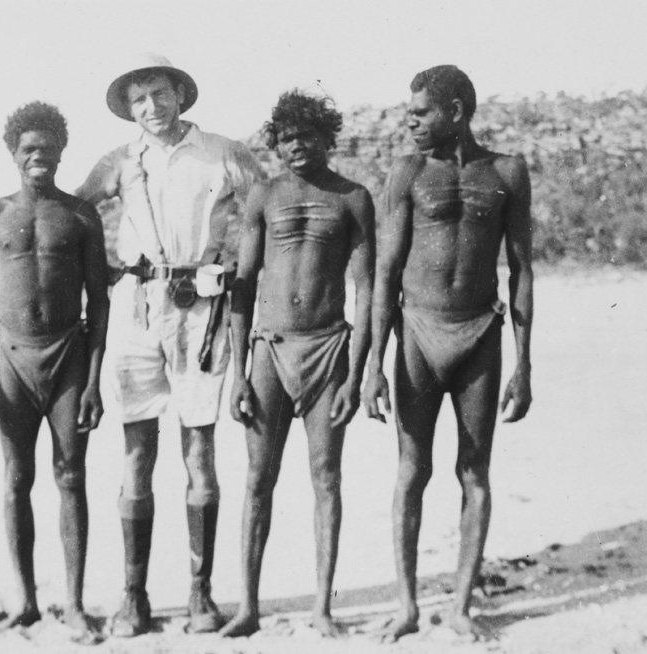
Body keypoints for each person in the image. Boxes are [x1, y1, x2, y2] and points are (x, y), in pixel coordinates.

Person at [75, 53, 265, 637]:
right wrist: (104, 268)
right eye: (138, 100)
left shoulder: (222, 151)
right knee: (137, 451)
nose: (150, 108)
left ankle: (201, 594)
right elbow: (76, 212)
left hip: (200, 307)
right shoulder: (121, 160)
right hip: (137, 308)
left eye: (159, 94)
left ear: (180, 95)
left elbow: (269, 206)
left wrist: (238, 260)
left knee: (199, 451)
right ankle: (134, 597)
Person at [362, 65, 534, 641]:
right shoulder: (407, 172)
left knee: (475, 471)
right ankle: (408, 606)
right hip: (417, 333)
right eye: (408, 111)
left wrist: (525, 363)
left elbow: (521, 269)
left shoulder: (507, 171)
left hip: (481, 334)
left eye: (421, 112)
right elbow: (386, 272)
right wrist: (372, 368)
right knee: (412, 471)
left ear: (456, 112)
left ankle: (461, 606)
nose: (409, 121)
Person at [219, 91, 375, 639]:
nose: (296, 146)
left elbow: (366, 288)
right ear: (275, 143)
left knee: (326, 479)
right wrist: (238, 372)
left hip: (329, 348)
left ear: (327, 139)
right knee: (258, 480)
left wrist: (358, 375)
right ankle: (248, 606)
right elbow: (241, 287)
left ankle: (322, 608)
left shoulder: (353, 198)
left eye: (307, 135)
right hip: (269, 348)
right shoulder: (262, 196)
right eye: (286, 138)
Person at [0, 101, 109, 644]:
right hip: (14, 361)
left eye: (48, 148)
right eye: (29, 149)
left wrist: (93, 380)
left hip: (68, 356)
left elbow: (101, 301)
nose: (39, 157)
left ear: (62, 152)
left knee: (71, 476)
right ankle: (25, 601)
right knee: (16, 478)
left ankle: (72, 603)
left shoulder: (79, 215)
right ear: (13, 154)